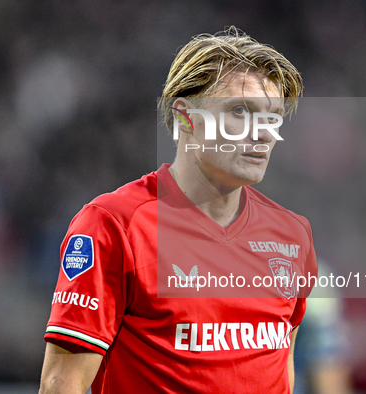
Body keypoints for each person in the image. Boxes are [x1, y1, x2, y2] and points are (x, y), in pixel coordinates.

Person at [39, 27, 317, 394]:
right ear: (185, 117)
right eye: (240, 111)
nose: (264, 133)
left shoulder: (292, 235)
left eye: (273, 117)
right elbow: (62, 384)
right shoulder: (113, 225)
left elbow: (281, 372)